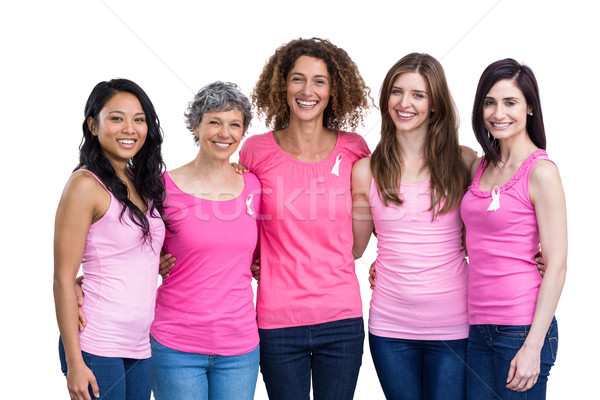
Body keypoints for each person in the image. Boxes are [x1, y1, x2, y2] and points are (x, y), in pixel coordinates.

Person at [239, 37, 372, 399]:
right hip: (278, 322)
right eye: (297, 79)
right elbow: (236, 219)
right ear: (282, 85)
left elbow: (360, 241)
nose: (307, 90)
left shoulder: (355, 149)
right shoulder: (255, 151)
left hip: (341, 320)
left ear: (334, 90)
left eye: (319, 81)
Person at [352, 53, 477, 399]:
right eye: (396, 91)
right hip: (390, 326)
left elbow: (487, 231)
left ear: (435, 105)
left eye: (418, 94)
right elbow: (354, 247)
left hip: (454, 324)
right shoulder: (366, 170)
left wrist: (534, 255)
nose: (404, 103)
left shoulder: (465, 161)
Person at [53, 78, 166, 400]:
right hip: (96, 341)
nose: (129, 128)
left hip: (138, 343)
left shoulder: (141, 182)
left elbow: (126, 251)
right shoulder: (85, 185)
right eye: (116, 118)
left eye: (139, 119)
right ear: (93, 125)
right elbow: (62, 278)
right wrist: (75, 363)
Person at [461, 59, 567, 399]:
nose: (498, 113)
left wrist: (533, 346)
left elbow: (557, 265)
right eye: (490, 102)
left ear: (530, 107)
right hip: (476, 327)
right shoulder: (479, 167)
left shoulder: (542, 171)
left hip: (521, 329)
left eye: (510, 102)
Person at [150, 81, 261, 400]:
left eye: (234, 124)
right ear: (195, 125)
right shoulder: (161, 188)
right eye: (214, 121)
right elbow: (131, 247)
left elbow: (266, 250)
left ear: (243, 132)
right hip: (175, 346)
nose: (224, 133)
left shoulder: (253, 186)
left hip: (240, 348)